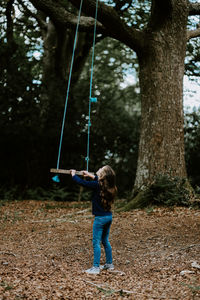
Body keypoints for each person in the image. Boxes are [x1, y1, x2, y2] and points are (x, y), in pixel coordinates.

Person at [70, 165, 117, 274]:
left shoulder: (97, 186)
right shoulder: (111, 187)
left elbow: (83, 183)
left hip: (100, 219)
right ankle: (109, 264)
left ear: (103, 175)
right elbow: (99, 182)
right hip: (108, 217)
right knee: (105, 240)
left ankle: (95, 267)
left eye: (101, 169)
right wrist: (90, 175)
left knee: (96, 242)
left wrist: (73, 175)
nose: (99, 169)